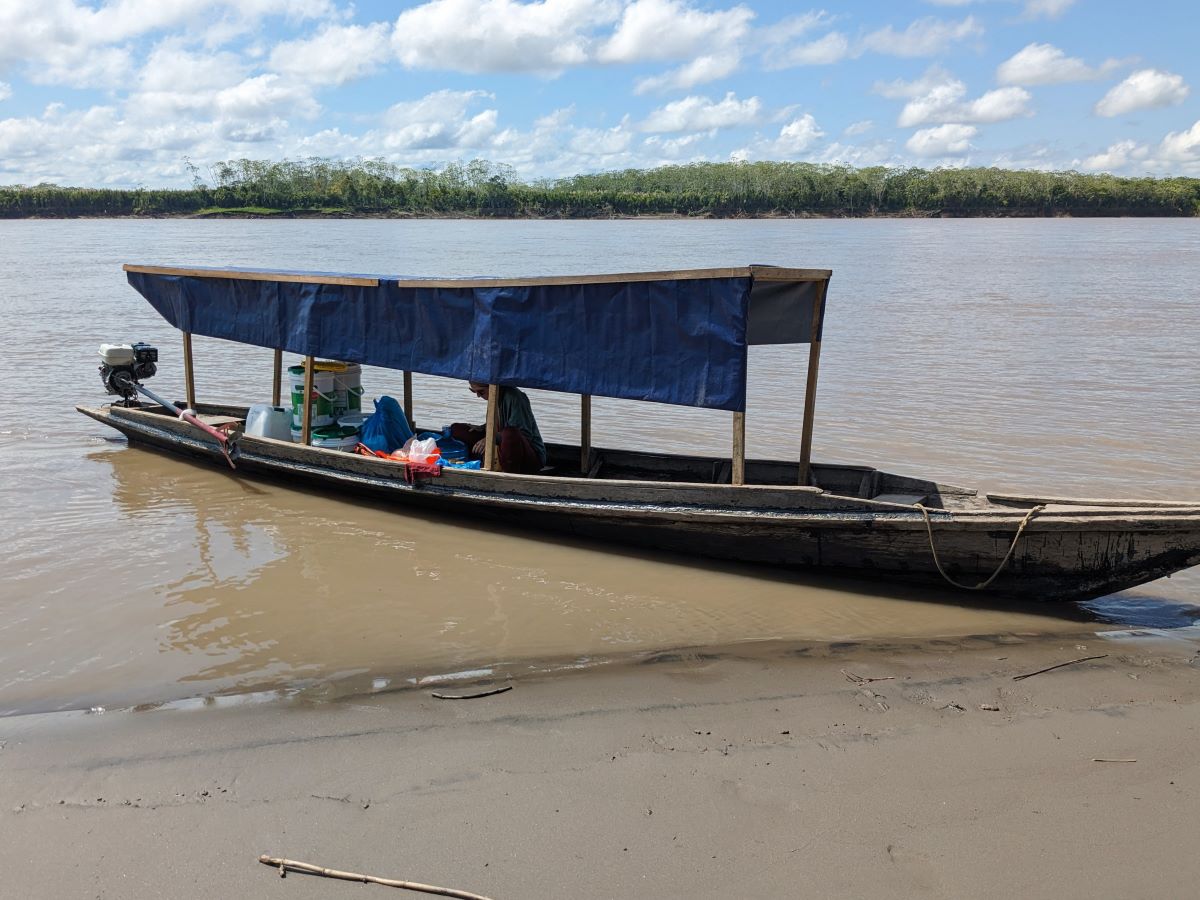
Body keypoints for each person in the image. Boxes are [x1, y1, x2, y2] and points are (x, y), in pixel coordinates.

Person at [450, 382, 547, 475]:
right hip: (500, 443)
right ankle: (477, 463)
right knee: (456, 430)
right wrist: (482, 428)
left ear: (493, 387)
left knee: (509, 434)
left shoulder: (515, 397)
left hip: (526, 455)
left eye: (481, 392)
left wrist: (490, 438)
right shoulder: (493, 397)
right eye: (474, 392)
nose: (478, 396)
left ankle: (509, 475)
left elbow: (520, 433)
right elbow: (499, 423)